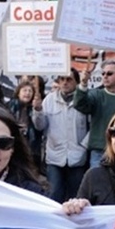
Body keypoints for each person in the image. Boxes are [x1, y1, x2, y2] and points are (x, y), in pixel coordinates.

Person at [31, 69, 89, 202]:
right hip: (55, 156)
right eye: (61, 79)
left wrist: (84, 146)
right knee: (54, 195)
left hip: (77, 156)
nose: (65, 83)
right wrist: (38, 110)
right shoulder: (49, 99)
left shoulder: (84, 99)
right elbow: (40, 126)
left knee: (76, 196)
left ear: (76, 82)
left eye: (69, 79)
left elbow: (93, 125)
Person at [8, 80, 44, 170]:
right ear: (18, 92)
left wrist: (37, 110)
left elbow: (39, 127)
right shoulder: (10, 106)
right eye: (24, 90)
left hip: (31, 148)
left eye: (30, 91)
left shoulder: (33, 108)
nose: (27, 93)